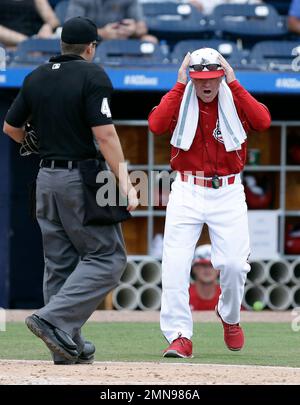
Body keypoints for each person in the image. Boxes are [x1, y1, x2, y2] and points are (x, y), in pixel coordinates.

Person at [3, 16, 138, 365]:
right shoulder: (93, 74)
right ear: (91, 47)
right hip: (80, 177)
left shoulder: (35, 76)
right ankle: (52, 320)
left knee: (60, 262)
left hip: (45, 178)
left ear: (62, 45)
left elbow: (11, 128)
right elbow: (105, 134)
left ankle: (66, 343)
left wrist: (36, 142)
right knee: (107, 258)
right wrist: (126, 183)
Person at [148, 47, 271, 358]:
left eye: (213, 78)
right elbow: (156, 124)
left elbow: (263, 120)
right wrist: (178, 84)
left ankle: (229, 316)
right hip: (187, 187)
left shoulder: (232, 97)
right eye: (200, 77)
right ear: (191, 77)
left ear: (220, 76)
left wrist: (233, 81)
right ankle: (179, 335)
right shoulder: (182, 96)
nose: (206, 84)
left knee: (233, 265)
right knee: (175, 264)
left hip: (228, 190)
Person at [65, 0, 158, 43]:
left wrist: (133, 29)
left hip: (122, 39)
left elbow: (142, 28)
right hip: (91, 41)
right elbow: (71, 28)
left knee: (150, 40)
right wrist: (102, 33)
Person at [189, 245, 221, 311]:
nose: (207, 269)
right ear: (194, 268)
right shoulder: (184, 294)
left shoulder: (226, 295)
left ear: (218, 270)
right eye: (203, 265)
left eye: (211, 265)